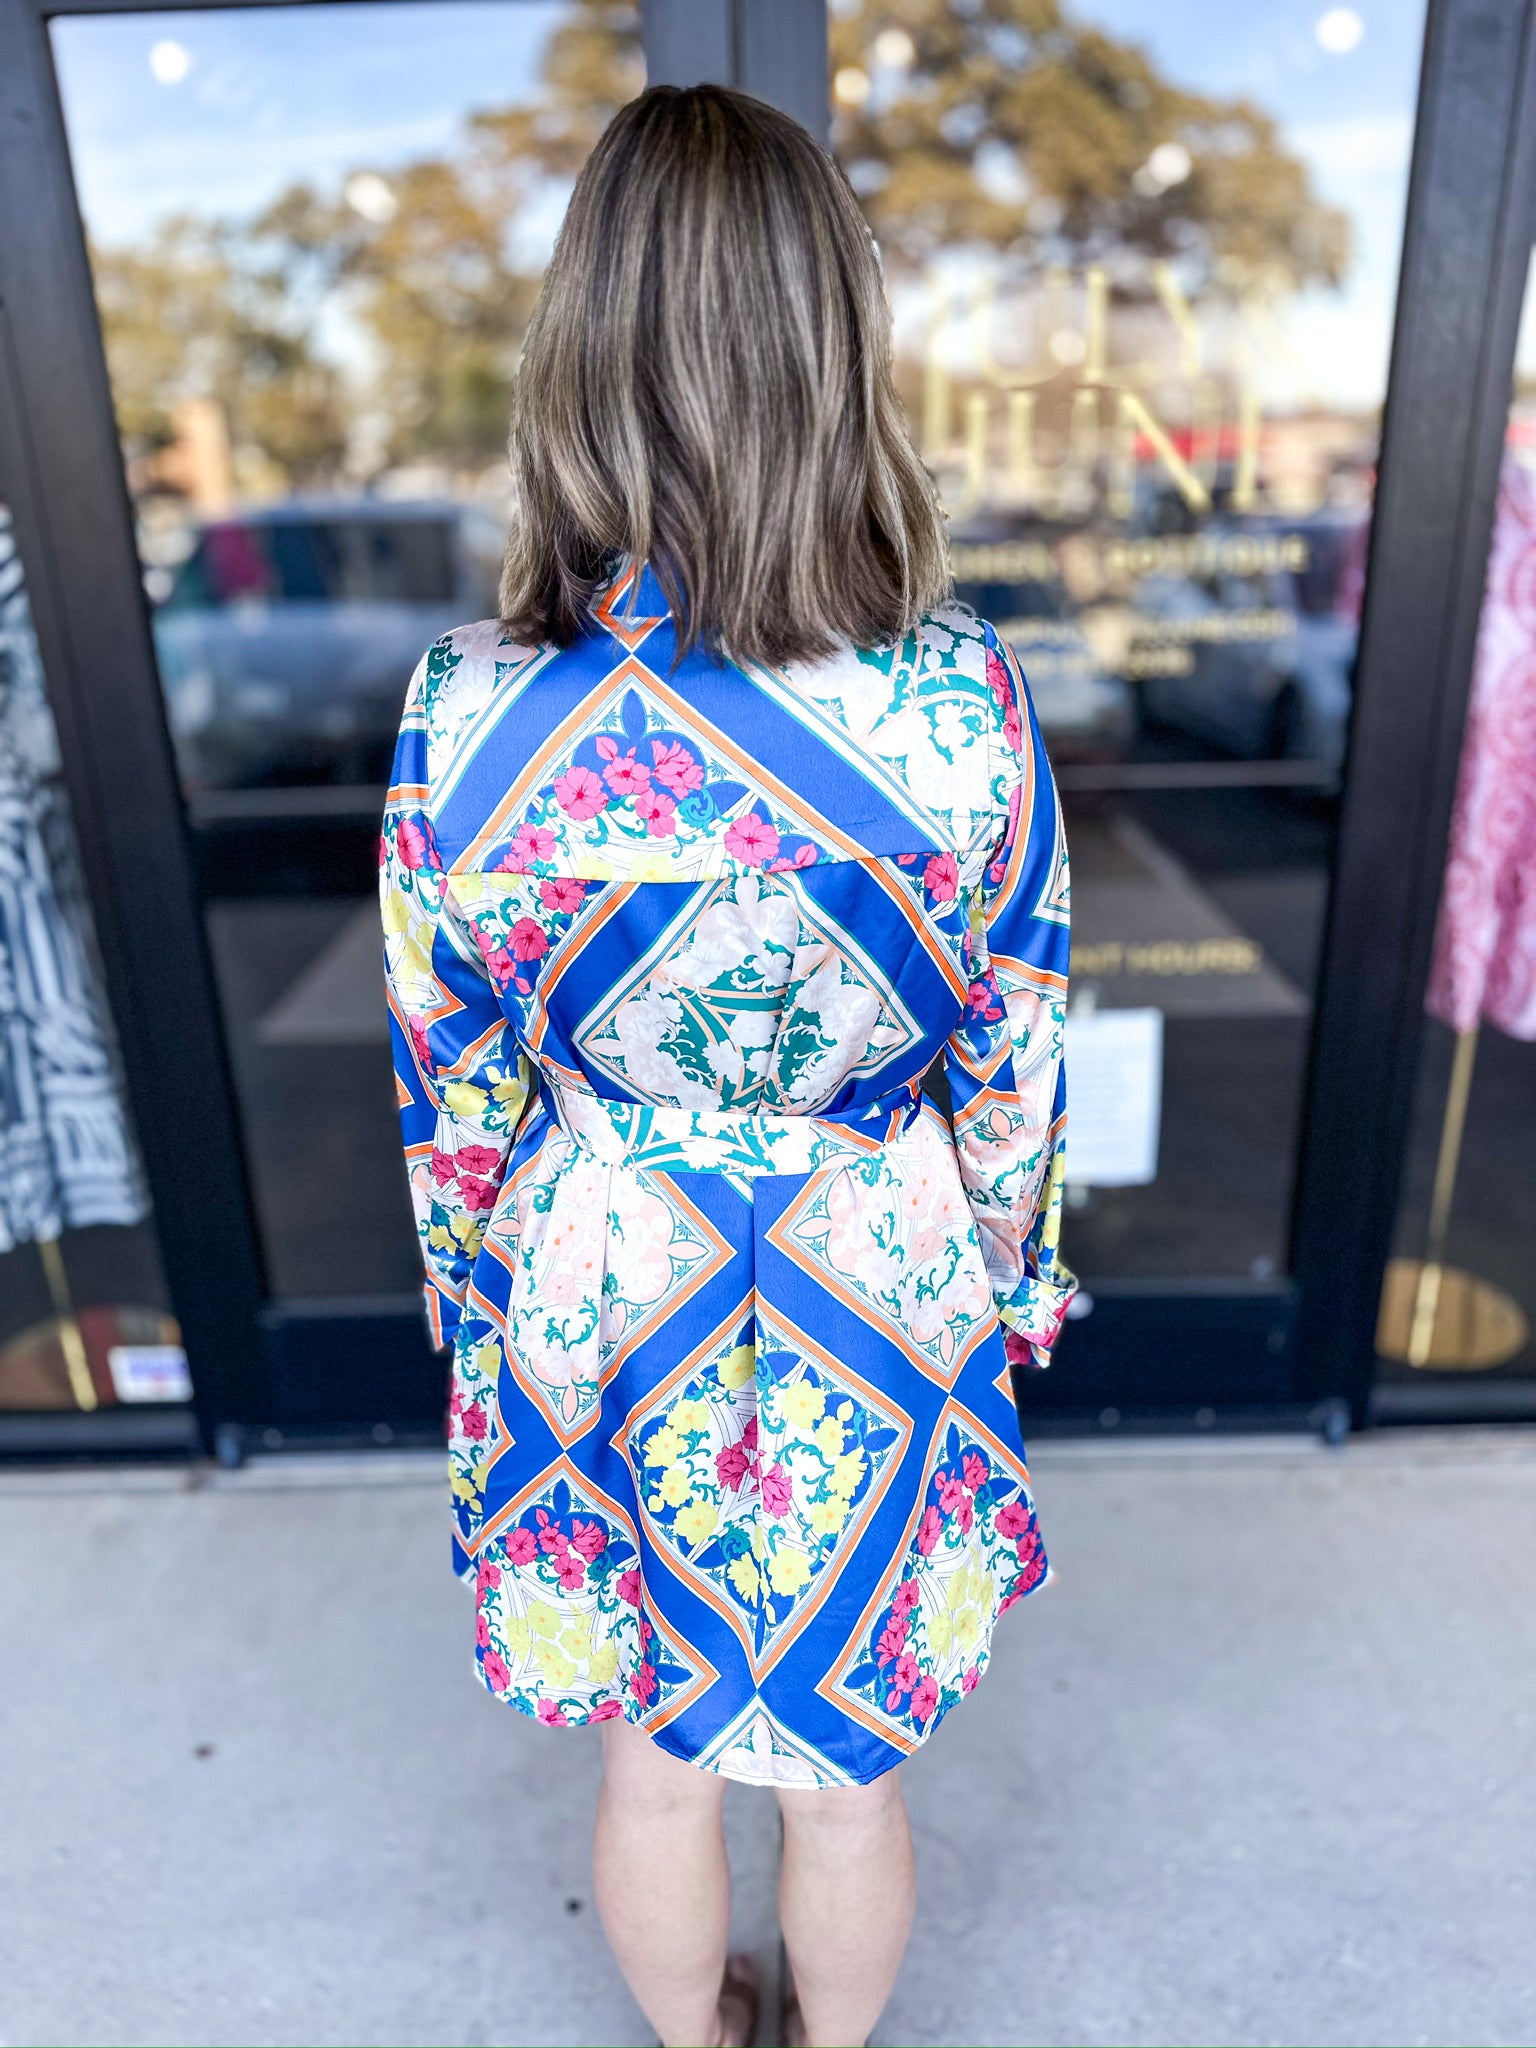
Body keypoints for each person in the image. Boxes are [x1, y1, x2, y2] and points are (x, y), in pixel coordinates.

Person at [380, 82, 1073, 2048]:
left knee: (650, 1761)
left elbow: (453, 1093)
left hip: (602, 1269)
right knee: (848, 1766)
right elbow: (1016, 1059)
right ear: (832, 349)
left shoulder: (468, 719)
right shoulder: (961, 705)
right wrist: (1002, 1294)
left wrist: (478, 1310)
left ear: (578, 360)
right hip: (876, 1253)